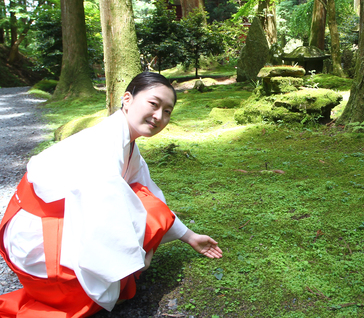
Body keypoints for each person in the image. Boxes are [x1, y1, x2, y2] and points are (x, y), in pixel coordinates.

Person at [0, 72, 222, 317]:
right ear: (127, 99)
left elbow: (150, 193)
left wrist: (189, 237)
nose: (159, 116)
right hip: (37, 243)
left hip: (40, 233)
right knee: (141, 219)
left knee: (148, 202)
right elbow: (106, 216)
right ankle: (66, 285)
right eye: (153, 104)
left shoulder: (125, 142)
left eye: (167, 111)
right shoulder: (104, 143)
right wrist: (136, 261)